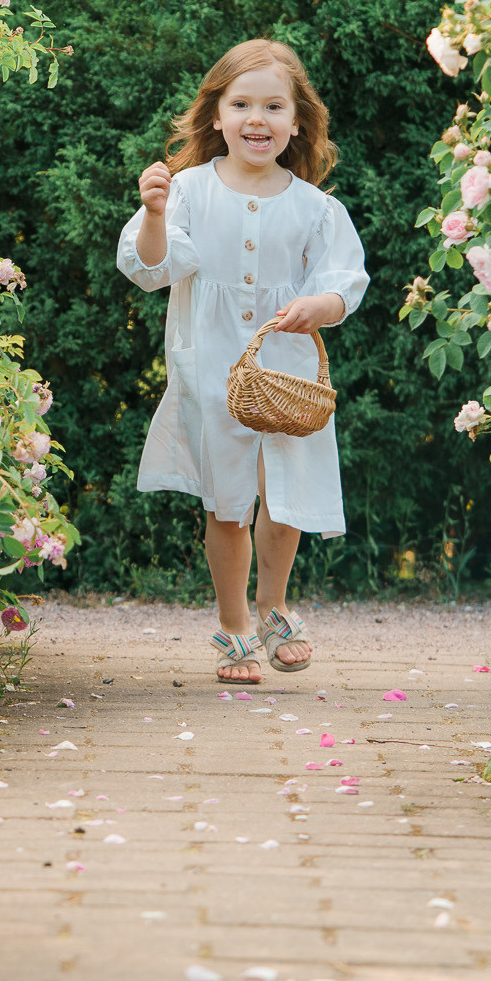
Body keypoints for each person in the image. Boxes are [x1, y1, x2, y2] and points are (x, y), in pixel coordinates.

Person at [116, 39, 368, 684]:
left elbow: (344, 280)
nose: (258, 119)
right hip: (213, 369)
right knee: (227, 504)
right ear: (217, 114)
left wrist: (320, 305)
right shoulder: (188, 192)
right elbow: (152, 268)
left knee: (282, 499)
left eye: (274, 106)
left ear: (297, 120)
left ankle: (274, 605)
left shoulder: (316, 207)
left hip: (286, 375)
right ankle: (233, 624)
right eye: (241, 104)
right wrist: (153, 214)